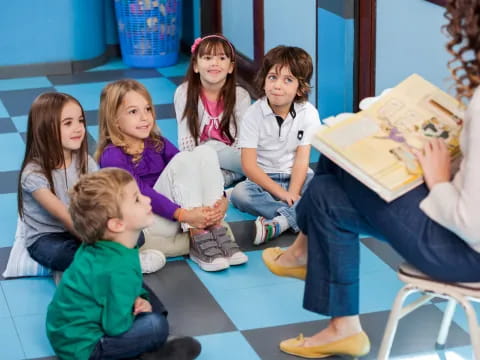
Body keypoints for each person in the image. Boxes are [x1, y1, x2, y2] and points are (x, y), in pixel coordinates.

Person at [263, 1, 480, 358]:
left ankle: (306, 257)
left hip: (461, 251)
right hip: (461, 238)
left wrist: (440, 179)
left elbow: (470, 223)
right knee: (329, 193)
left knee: (336, 163)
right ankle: (335, 315)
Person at [46, 168, 201, 360]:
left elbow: (112, 292)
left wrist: (139, 298)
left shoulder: (100, 247)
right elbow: (115, 326)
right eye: (137, 199)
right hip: (85, 349)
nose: (147, 199)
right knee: (156, 326)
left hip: (62, 335)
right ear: (117, 224)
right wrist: (132, 311)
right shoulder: (118, 267)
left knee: (147, 312)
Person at [95, 79, 248, 272]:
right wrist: (183, 214)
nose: (144, 117)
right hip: (148, 221)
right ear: (114, 119)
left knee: (204, 153)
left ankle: (215, 225)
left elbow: (192, 169)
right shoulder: (112, 155)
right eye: (133, 112)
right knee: (183, 159)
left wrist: (222, 199)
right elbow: (138, 192)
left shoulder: (157, 142)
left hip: (179, 215)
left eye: (147, 109)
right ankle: (198, 235)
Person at [230, 45, 320, 245]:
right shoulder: (253, 114)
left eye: (288, 80)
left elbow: (302, 160)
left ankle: (280, 222)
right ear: (263, 81)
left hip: (298, 178)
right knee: (239, 194)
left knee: (325, 189)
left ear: (301, 87)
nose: (277, 86)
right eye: (272, 77)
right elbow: (249, 166)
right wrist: (283, 195)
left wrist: (293, 193)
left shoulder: (309, 113)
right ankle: (293, 217)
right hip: (263, 180)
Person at [17, 92, 97, 272]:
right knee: (61, 254)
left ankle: (92, 262)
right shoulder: (33, 173)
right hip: (48, 236)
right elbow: (65, 215)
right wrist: (105, 245)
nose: (78, 128)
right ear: (45, 129)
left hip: (81, 226)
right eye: (68, 123)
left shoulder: (85, 160)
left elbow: (102, 199)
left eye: (81, 121)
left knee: (135, 235)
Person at [174, 34, 251, 187]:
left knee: (211, 147)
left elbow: (242, 141)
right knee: (202, 173)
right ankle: (237, 175)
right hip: (200, 159)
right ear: (195, 66)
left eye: (222, 58)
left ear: (230, 67)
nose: (215, 63)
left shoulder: (241, 96)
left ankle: (263, 172)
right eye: (208, 58)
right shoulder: (184, 93)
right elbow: (186, 140)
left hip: (235, 155)